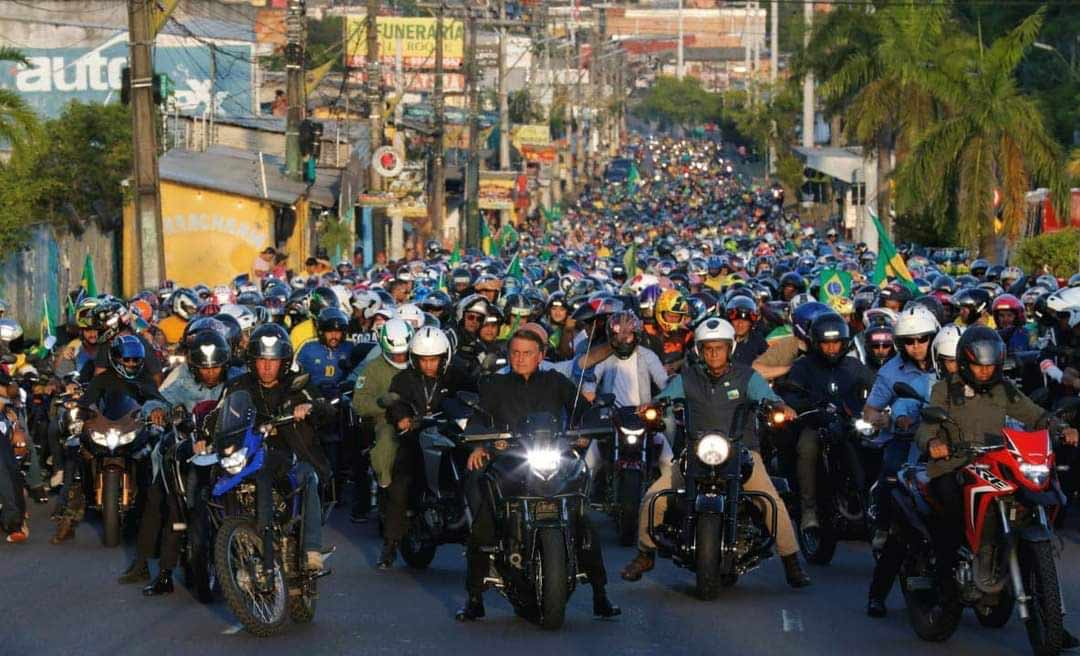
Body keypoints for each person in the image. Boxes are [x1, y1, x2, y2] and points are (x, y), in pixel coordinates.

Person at [619, 317, 810, 588]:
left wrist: (779, 408)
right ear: (699, 350)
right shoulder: (688, 377)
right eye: (707, 348)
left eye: (719, 348)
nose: (713, 353)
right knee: (654, 496)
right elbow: (666, 397)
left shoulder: (747, 376)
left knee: (769, 499)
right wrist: (654, 406)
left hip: (742, 452)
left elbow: (767, 397)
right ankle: (645, 554)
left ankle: (791, 563)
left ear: (729, 348)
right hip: (696, 453)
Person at [456, 326, 620, 622]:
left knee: (584, 519)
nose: (520, 359)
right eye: (515, 353)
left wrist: (585, 431)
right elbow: (478, 418)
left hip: (554, 458)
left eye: (527, 353)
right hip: (510, 460)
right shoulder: (494, 385)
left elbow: (584, 411)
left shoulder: (556, 382)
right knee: (483, 521)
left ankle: (600, 594)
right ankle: (474, 597)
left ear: (541, 355)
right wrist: (480, 444)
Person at [117, 331, 230, 593]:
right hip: (189, 449)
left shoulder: (236, 380)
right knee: (164, 501)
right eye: (205, 368)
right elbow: (160, 398)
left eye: (216, 367)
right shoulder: (183, 380)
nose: (211, 373)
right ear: (194, 365)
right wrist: (155, 411)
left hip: (227, 451)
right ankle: (157, 569)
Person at [221, 323, 334, 571]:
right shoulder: (237, 385)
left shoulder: (298, 383)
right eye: (261, 359)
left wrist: (310, 408)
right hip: (247, 454)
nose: (267, 366)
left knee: (308, 477)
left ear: (284, 361)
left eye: (273, 360)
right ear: (252, 360)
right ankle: (215, 556)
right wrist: (204, 435)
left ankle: (311, 549)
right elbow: (218, 416)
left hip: (291, 455)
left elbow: (326, 408)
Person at [52, 335, 166, 544]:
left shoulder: (145, 380)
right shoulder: (102, 380)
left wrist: (157, 412)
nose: (131, 364)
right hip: (106, 429)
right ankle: (67, 518)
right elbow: (87, 402)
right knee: (76, 456)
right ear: (115, 359)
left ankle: (158, 519)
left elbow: (157, 399)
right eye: (126, 359)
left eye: (135, 360)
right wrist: (79, 413)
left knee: (156, 457)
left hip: (133, 432)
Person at [378, 326, 468, 569]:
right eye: (424, 360)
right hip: (417, 437)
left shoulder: (458, 375)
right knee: (402, 480)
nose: (429, 365)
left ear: (444, 357)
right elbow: (395, 401)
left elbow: (475, 394)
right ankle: (390, 545)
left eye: (434, 359)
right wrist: (402, 418)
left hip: (453, 435)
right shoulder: (404, 379)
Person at [782, 312, 874, 533]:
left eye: (836, 343)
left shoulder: (854, 366)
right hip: (817, 424)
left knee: (874, 444)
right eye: (826, 344)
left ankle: (874, 502)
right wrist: (807, 408)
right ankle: (809, 509)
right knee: (807, 447)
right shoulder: (802, 366)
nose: (832, 349)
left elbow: (875, 390)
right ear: (816, 343)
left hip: (849, 423)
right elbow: (790, 393)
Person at [350, 319, 413, 521]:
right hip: (385, 421)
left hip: (419, 419)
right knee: (387, 440)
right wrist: (384, 404)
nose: (400, 357)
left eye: (404, 352)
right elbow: (359, 403)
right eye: (396, 353)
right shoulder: (373, 368)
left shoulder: (420, 362)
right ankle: (385, 484)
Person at [295, 308, 356, 495]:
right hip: (313, 398)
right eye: (330, 331)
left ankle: (345, 476)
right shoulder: (307, 348)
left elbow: (361, 371)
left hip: (341, 399)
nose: (334, 336)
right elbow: (295, 374)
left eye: (338, 332)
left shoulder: (351, 347)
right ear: (321, 331)